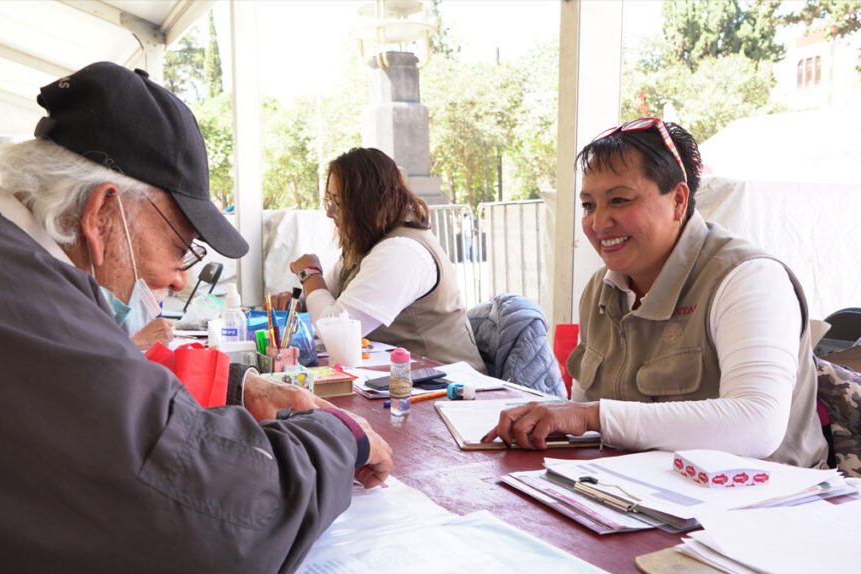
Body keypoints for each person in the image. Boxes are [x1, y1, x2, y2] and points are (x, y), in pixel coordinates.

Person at [0, 62, 392, 574]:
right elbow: (212, 525)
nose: (180, 277)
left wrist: (234, 386)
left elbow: (95, 375)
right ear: (104, 212)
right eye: (183, 245)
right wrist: (339, 436)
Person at [484, 117, 827, 468]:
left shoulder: (748, 278)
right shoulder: (601, 289)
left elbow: (757, 424)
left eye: (619, 200)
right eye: (589, 205)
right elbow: (585, 421)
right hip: (639, 493)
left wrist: (590, 417)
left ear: (678, 200)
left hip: (762, 503)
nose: (599, 223)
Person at [278, 147, 485, 372]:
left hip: (449, 388)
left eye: (338, 202)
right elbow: (328, 300)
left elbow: (333, 328)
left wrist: (309, 273)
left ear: (366, 203)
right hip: (406, 383)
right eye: (329, 200)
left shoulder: (401, 251)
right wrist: (297, 305)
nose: (329, 212)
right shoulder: (368, 243)